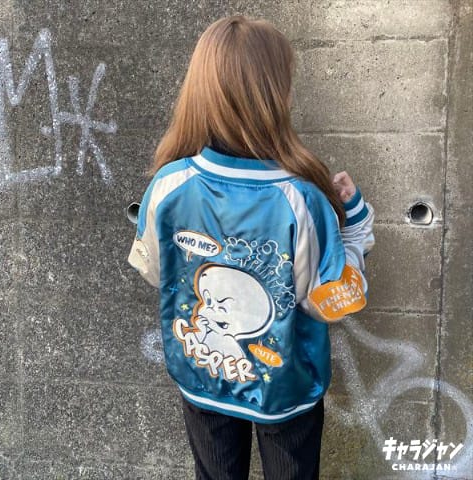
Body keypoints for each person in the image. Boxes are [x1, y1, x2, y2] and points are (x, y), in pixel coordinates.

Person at [127, 14, 375, 480]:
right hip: (286, 391)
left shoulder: (168, 184)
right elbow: (331, 301)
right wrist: (357, 229)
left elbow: (156, 273)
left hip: (200, 377)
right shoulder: (301, 198)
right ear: (275, 93)